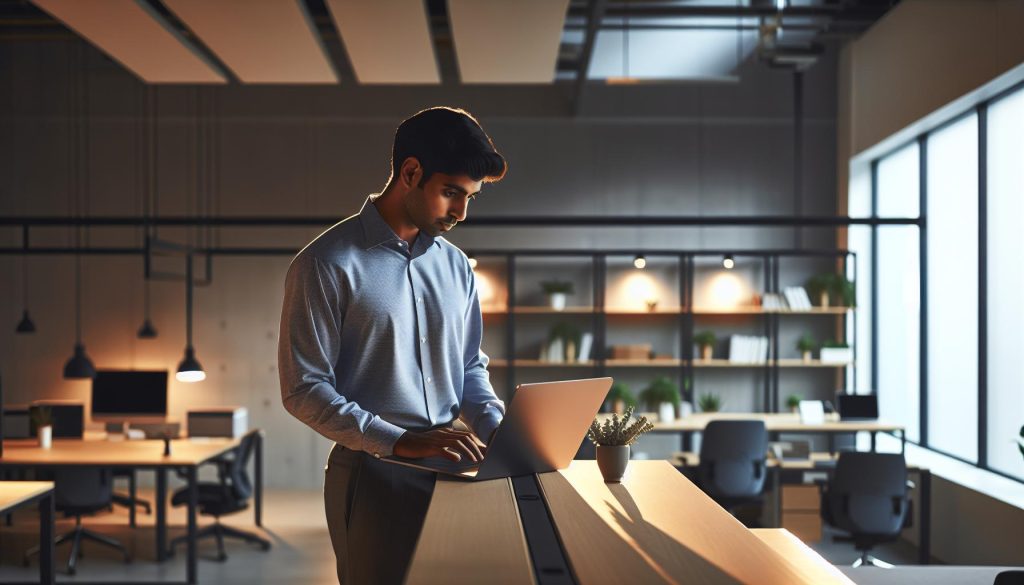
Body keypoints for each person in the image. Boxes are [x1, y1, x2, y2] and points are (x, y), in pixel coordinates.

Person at [278, 106, 508, 584]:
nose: (461, 213)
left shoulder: (457, 267)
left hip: (457, 468)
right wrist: (401, 441)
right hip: (372, 476)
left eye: (469, 198)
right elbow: (303, 389)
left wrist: (502, 431)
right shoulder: (324, 264)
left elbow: (468, 368)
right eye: (451, 193)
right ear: (410, 172)